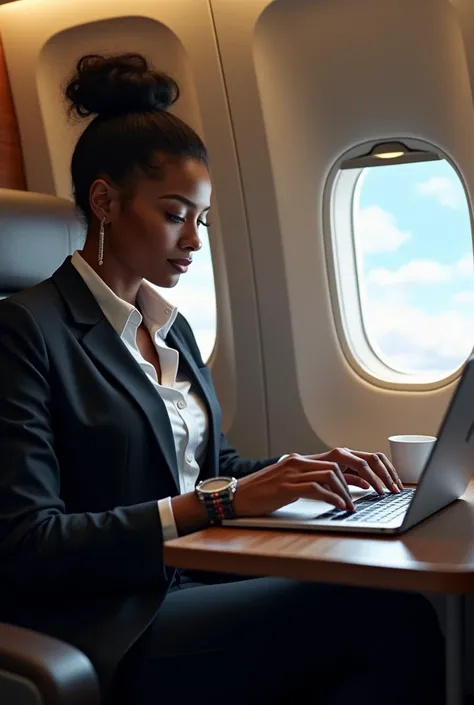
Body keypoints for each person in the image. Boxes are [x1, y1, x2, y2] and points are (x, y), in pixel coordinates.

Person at [0, 53, 444, 705]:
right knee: (383, 616)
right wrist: (220, 503)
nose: (195, 241)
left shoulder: (171, 328)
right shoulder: (25, 331)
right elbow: (28, 542)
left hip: (191, 582)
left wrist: (309, 471)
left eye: (201, 219)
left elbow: (211, 467)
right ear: (104, 199)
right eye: (177, 213)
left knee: (383, 601)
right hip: (110, 616)